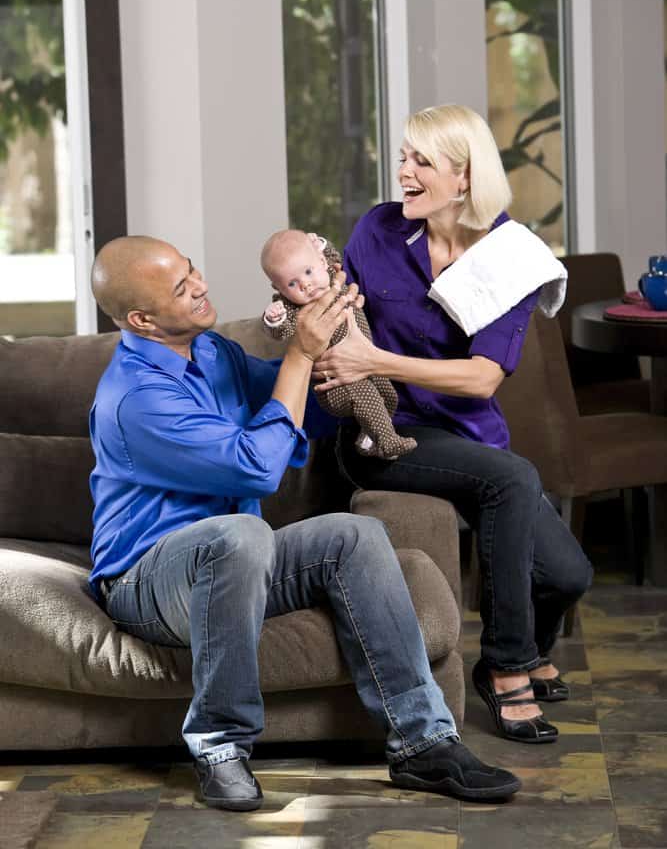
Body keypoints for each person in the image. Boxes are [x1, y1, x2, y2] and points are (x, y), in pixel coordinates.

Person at [87, 234, 521, 812]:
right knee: (240, 533)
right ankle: (220, 747)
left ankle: (424, 742)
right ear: (142, 318)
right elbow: (258, 468)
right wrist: (299, 354)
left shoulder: (211, 351)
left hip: (240, 565)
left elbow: (296, 408)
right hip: (146, 581)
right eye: (182, 287)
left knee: (355, 535)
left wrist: (342, 356)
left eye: (194, 271)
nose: (202, 286)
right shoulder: (135, 398)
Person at [312, 103, 594, 745]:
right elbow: (335, 316)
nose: (403, 172)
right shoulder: (378, 231)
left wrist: (374, 355)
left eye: (421, 161)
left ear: (464, 178)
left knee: (571, 576)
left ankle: (522, 650)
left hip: (467, 437)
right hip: (383, 428)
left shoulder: (510, 254)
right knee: (512, 479)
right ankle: (508, 667)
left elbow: (482, 377)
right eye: (403, 156)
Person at [261, 228, 416, 459]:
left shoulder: (333, 276)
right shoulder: (295, 309)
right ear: (279, 289)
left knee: (388, 394)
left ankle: (368, 437)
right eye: (292, 284)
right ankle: (388, 442)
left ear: (322, 262)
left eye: (308, 271)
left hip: (366, 365)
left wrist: (318, 242)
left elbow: (332, 255)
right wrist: (274, 318)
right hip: (336, 383)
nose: (306, 285)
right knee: (366, 395)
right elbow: (280, 331)